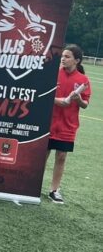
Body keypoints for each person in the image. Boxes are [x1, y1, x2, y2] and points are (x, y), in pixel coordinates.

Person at [47, 44, 91, 204]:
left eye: (67, 57)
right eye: (63, 56)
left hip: (68, 126)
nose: (63, 59)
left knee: (61, 157)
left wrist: (78, 100)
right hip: (49, 122)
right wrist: (59, 101)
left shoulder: (83, 80)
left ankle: (54, 190)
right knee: (42, 155)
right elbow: (43, 94)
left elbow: (85, 104)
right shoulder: (54, 73)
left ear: (77, 61)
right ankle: (32, 186)